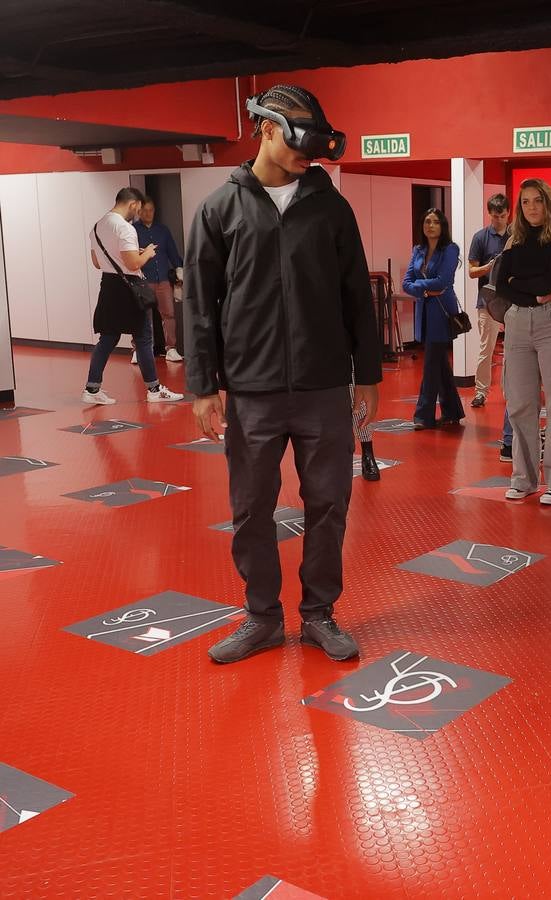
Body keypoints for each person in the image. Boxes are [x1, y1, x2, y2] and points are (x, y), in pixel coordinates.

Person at [185, 83, 381, 664]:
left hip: (323, 388)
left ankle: (319, 613)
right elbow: (200, 304)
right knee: (250, 509)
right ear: (266, 130)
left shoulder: (331, 207)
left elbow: (356, 297)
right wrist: (202, 385)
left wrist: (365, 373)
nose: (309, 158)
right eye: (300, 145)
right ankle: (262, 617)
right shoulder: (219, 209)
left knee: (328, 504)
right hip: (253, 390)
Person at [496, 179, 551, 504]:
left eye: (537, 200)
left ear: (547, 203)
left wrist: (519, 283)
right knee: (521, 402)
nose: (532, 207)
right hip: (516, 322)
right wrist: (530, 290)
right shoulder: (513, 240)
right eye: (525, 202)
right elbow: (502, 287)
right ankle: (523, 479)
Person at [83, 187, 183, 406]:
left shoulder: (98, 226)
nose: (138, 213)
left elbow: (98, 262)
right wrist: (146, 253)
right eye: (138, 208)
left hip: (109, 286)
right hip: (130, 288)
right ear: (132, 204)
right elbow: (132, 264)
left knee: (108, 338)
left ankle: (92, 387)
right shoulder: (125, 228)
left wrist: (128, 257)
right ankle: (154, 390)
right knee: (144, 337)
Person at [402, 208, 465, 429]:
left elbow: (444, 280)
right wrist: (425, 290)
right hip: (424, 313)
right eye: (427, 221)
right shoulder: (418, 250)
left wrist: (420, 287)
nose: (430, 226)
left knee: (430, 365)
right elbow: (406, 282)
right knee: (439, 364)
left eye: (435, 222)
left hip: (441, 313)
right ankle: (452, 411)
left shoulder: (450, 249)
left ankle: (423, 415)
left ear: (443, 226)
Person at [467, 193, 511, 408]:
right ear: (490, 214)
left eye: (502, 216)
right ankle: (481, 392)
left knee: (514, 348)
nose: (498, 220)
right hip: (488, 302)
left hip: (514, 300)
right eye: (495, 216)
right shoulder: (480, 237)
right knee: (487, 348)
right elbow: (471, 271)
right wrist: (488, 267)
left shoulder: (516, 235)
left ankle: (509, 391)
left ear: (508, 213)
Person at [134, 199, 185, 362]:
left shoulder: (163, 230)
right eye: (145, 210)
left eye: (151, 210)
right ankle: (139, 350)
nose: (148, 213)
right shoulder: (132, 231)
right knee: (142, 316)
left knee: (169, 314)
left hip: (162, 279)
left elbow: (173, 253)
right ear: (139, 212)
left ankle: (171, 349)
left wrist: (180, 272)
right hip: (143, 280)